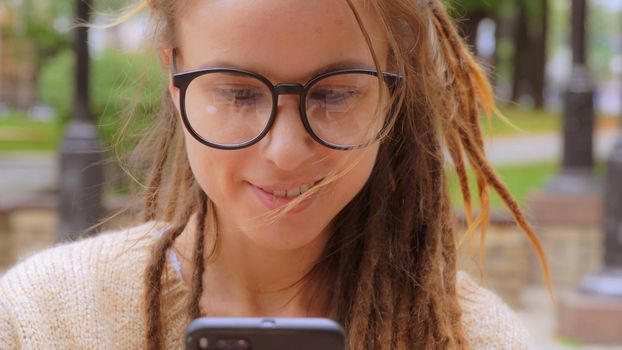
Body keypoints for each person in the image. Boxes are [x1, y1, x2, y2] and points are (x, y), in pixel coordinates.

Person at [0, 0, 549, 348]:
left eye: (335, 93)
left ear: (391, 92)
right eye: (238, 93)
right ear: (174, 77)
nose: (285, 151)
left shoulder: (473, 337)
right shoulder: (43, 321)